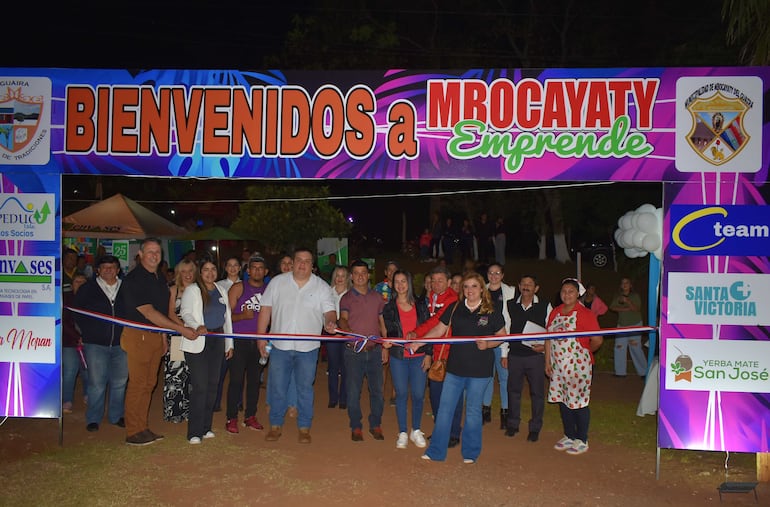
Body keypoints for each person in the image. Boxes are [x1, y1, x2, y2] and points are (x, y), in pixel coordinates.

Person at [119, 237, 198, 446]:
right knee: (138, 384)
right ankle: (133, 431)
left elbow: (162, 310)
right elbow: (149, 312)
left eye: (157, 252)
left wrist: (163, 337)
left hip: (155, 337)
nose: (154, 255)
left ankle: (142, 427)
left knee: (149, 384)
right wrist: (180, 329)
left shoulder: (158, 278)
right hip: (138, 335)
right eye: (150, 252)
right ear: (140, 254)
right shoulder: (135, 279)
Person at [421, 272, 506, 463]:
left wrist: (489, 344)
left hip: (480, 371)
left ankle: (470, 452)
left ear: (481, 289)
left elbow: (502, 336)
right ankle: (436, 451)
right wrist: (418, 342)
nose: (469, 290)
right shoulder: (455, 308)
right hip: (455, 369)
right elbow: (439, 330)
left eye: (474, 286)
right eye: (466, 286)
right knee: (444, 409)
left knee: (473, 411)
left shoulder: (491, 311)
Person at [257, 248, 336, 444]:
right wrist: (260, 337)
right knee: (277, 387)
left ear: (312, 265)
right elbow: (265, 310)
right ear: (292, 263)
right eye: (299, 260)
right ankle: (275, 426)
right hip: (279, 346)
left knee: (305, 388)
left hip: (308, 349)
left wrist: (330, 322)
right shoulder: (277, 283)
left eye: (307, 261)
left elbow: (330, 312)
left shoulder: (322, 287)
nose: (302, 264)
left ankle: (304, 427)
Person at [179, 259, 234, 444]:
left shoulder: (221, 290)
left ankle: (206, 427)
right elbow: (185, 313)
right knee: (200, 387)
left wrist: (230, 344)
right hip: (198, 341)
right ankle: (194, 432)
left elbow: (227, 319)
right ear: (199, 272)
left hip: (217, 340)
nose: (210, 273)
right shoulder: (193, 290)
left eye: (213, 270)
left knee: (213, 385)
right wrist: (197, 326)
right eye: (206, 270)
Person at [546, 278, 602, 455]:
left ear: (578, 293)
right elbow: (548, 339)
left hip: (578, 367)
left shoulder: (586, 314)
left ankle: (582, 438)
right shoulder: (555, 312)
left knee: (579, 402)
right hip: (558, 366)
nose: (566, 294)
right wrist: (547, 361)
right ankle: (569, 435)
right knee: (563, 400)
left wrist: (585, 352)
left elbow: (597, 340)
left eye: (571, 291)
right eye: (564, 291)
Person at [408, 266, 463, 448]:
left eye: (440, 280)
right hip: (436, 352)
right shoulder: (431, 298)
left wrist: (417, 334)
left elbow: (436, 322)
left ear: (449, 283)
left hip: (450, 353)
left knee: (452, 395)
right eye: (433, 280)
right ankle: (442, 430)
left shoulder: (452, 299)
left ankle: (454, 433)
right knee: (436, 395)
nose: (436, 284)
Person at [74, 255, 127, 432]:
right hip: (95, 344)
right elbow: (77, 313)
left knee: (120, 382)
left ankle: (116, 415)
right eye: (104, 267)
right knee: (96, 383)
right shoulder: (87, 289)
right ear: (98, 270)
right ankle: (93, 418)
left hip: (122, 343)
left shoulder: (126, 287)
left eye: (112, 267)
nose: (108, 270)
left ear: (118, 270)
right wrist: (87, 332)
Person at [379, 270, 431, 449]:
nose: (400, 285)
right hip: (399, 357)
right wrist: (389, 342)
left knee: (418, 394)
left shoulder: (421, 305)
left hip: (419, 357)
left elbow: (429, 330)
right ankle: (402, 431)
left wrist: (429, 354)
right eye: (397, 282)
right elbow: (392, 332)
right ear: (392, 284)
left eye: (404, 281)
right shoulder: (389, 307)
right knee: (401, 394)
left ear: (409, 283)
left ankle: (415, 430)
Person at [337, 260, 387, 442]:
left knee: (377, 391)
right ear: (351, 276)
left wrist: (385, 345)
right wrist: (347, 331)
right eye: (356, 273)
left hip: (374, 351)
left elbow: (381, 323)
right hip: (353, 352)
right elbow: (342, 319)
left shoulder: (377, 298)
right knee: (353, 391)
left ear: (368, 275)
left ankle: (376, 424)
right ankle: (356, 426)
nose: (360, 276)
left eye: (363, 273)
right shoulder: (347, 298)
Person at [502, 274, 552, 441]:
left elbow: (551, 330)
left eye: (530, 284)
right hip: (515, 355)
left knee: (537, 393)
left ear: (536, 288)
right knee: (513, 391)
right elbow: (505, 329)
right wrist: (504, 353)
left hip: (535, 356)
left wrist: (545, 349)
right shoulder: (510, 305)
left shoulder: (545, 306)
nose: (526, 287)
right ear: (519, 286)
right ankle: (513, 424)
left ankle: (535, 427)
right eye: (523, 283)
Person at [225, 255, 269, 433]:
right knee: (236, 380)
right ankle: (232, 417)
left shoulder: (269, 290)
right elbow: (225, 317)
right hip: (239, 341)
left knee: (253, 381)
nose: (257, 271)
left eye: (261, 268)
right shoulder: (238, 288)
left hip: (259, 342)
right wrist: (243, 316)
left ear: (265, 272)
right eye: (254, 268)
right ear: (248, 270)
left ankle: (250, 416)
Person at [483, 263, 515, 428]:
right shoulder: (482, 290)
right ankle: (485, 410)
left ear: (502, 275)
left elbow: (509, 321)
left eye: (497, 273)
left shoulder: (510, 292)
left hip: (503, 341)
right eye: (491, 273)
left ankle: (505, 412)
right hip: (486, 342)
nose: (494, 276)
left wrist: (505, 352)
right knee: (487, 377)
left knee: (504, 378)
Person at [164, 259, 196, 422]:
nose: (188, 274)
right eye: (184, 271)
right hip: (177, 336)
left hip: (195, 337)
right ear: (178, 273)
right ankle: (175, 411)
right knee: (176, 374)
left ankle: (191, 411)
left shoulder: (198, 290)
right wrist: (183, 326)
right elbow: (168, 313)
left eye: (190, 270)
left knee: (192, 373)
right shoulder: (173, 290)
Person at [212, 255, 242, 412]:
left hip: (241, 333)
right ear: (225, 267)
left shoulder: (245, 285)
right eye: (229, 265)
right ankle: (215, 402)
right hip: (222, 333)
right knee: (219, 371)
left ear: (240, 268)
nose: (232, 268)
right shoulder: (218, 286)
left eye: (235, 264)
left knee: (238, 372)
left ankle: (238, 401)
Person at [608, 277, 646, 378]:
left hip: (635, 324)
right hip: (622, 325)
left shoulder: (635, 296)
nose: (624, 284)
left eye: (627, 283)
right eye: (623, 283)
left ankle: (643, 372)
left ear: (630, 285)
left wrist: (628, 301)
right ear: (621, 285)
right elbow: (611, 307)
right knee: (619, 347)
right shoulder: (618, 296)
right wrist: (625, 309)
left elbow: (636, 309)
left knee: (635, 348)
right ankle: (620, 373)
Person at [62, 273, 88, 414]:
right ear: (72, 285)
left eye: (83, 281)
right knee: (70, 371)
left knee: (88, 371)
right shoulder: (65, 300)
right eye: (77, 281)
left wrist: (87, 336)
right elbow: (64, 323)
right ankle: (67, 400)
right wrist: (77, 336)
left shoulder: (91, 300)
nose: (80, 284)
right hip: (69, 342)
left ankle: (88, 395)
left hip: (89, 342)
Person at [327, 265, 350, 409]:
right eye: (337, 275)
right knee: (333, 366)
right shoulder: (328, 293)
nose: (340, 278)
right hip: (332, 331)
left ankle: (344, 399)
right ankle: (333, 398)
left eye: (343, 275)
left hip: (347, 331)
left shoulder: (351, 294)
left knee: (346, 366)